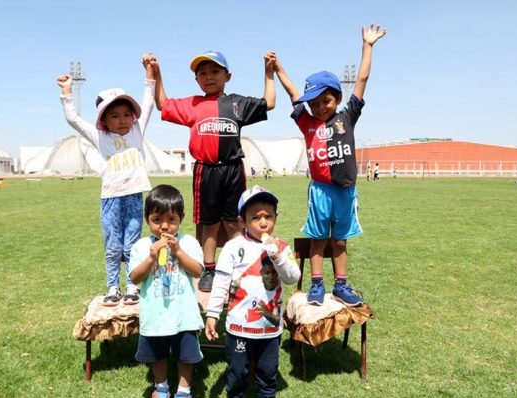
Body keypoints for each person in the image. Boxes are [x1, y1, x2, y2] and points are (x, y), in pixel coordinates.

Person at [273, 23, 387, 306]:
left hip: (345, 191)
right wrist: (278, 68)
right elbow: (292, 93)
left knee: (339, 241)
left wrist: (367, 46)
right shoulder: (307, 123)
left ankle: (341, 285)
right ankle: (315, 285)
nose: (320, 108)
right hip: (320, 191)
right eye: (314, 104)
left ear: (337, 98)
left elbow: (361, 80)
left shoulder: (346, 118)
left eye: (326, 101)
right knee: (318, 239)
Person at [150, 50, 276, 292]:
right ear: (196, 80)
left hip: (232, 169)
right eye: (203, 73)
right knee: (210, 223)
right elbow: (162, 104)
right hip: (206, 171)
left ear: (227, 76)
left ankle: (240, 266)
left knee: (234, 223)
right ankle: (209, 268)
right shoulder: (193, 104)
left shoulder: (237, 104)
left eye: (215, 72)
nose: (209, 77)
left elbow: (269, 102)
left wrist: (268, 73)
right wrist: (157, 74)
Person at [57, 53, 155, 306]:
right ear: (103, 119)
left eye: (126, 114)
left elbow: (149, 101)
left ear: (132, 116)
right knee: (113, 246)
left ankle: (132, 285)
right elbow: (73, 119)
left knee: (131, 245)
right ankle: (113, 287)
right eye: (114, 116)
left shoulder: (137, 129)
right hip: (111, 198)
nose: (122, 120)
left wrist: (149, 73)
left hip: (135, 195)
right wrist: (67, 92)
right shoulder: (99, 137)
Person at [205, 185, 300, 398]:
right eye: (255, 217)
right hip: (239, 324)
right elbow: (221, 282)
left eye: (268, 216)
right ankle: (235, 397)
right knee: (237, 368)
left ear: (276, 218)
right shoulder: (232, 247)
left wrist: (277, 256)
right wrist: (213, 314)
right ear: (242, 221)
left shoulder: (282, 246)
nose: (263, 222)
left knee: (269, 367)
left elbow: (292, 277)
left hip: (269, 325)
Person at [128, 184, 204, 398]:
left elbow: (197, 270)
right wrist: (151, 257)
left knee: (185, 356)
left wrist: (178, 252)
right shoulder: (141, 246)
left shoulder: (188, 242)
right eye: (156, 219)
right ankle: (161, 388)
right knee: (157, 356)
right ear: (147, 220)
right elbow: (135, 278)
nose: (164, 226)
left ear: (181, 218)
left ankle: (183, 392)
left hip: (183, 314)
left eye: (171, 219)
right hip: (155, 314)